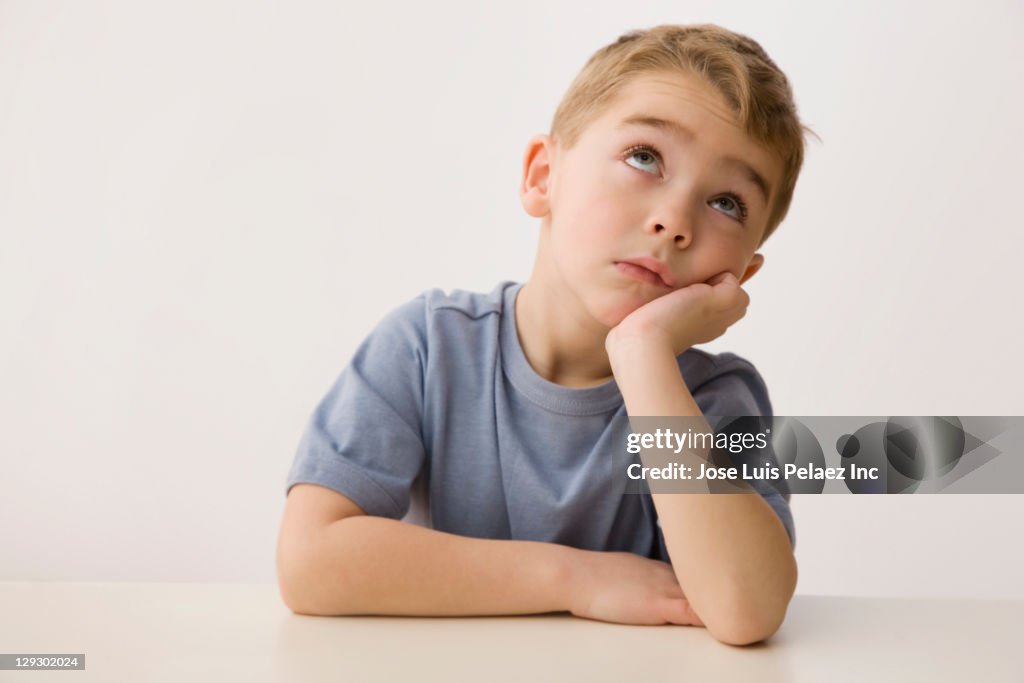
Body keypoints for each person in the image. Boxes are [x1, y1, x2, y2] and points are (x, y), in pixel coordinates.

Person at [276, 23, 810, 646]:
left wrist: (642, 354)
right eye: (645, 157)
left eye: (726, 203)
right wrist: (574, 579)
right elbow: (310, 562)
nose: (673, 222)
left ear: (740, 275)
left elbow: (746, 609)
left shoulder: (715, 401)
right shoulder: (426, 349)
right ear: (541, 177)